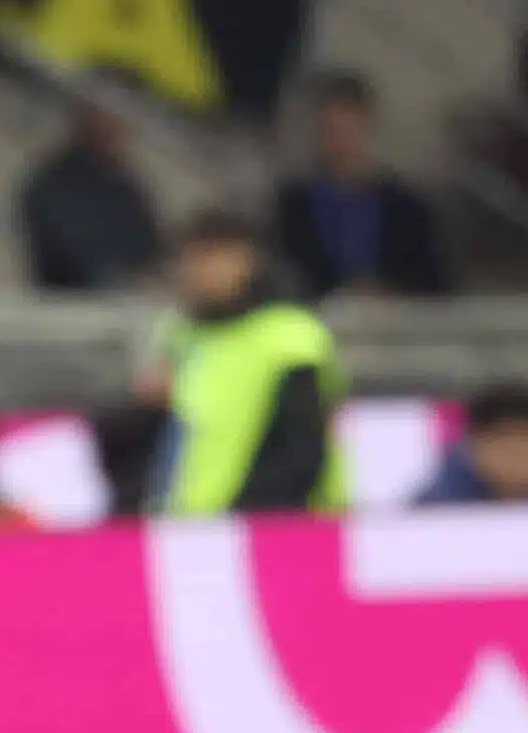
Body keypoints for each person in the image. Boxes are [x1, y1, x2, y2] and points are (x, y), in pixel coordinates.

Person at [145, 209, 349, 516]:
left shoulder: (291, 337)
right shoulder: (185, 337)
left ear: (248, 261)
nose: (202, 273)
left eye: (215, 259)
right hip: (197, 526)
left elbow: (302, 452)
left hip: (278, 527)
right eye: (194, 260)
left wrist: (246, 520)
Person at [275, 71, 446, 298]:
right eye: (331, 130)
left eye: (347, 130)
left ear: (366, 125)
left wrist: (387, 294)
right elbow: (286, 272)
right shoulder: (295, 205)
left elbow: (431, 280)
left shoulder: (406, 207)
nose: (339, 141)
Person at [18, 99, 162, 292]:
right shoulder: (55, 183)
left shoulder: (123, 184)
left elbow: (151, 245)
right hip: (73, 298)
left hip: (123, 296)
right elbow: (71, 253)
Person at [415, 383, 528, 506]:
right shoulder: (435, 512)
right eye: (504, 445)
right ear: (473, 447)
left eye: (527, 440)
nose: (516, 457)